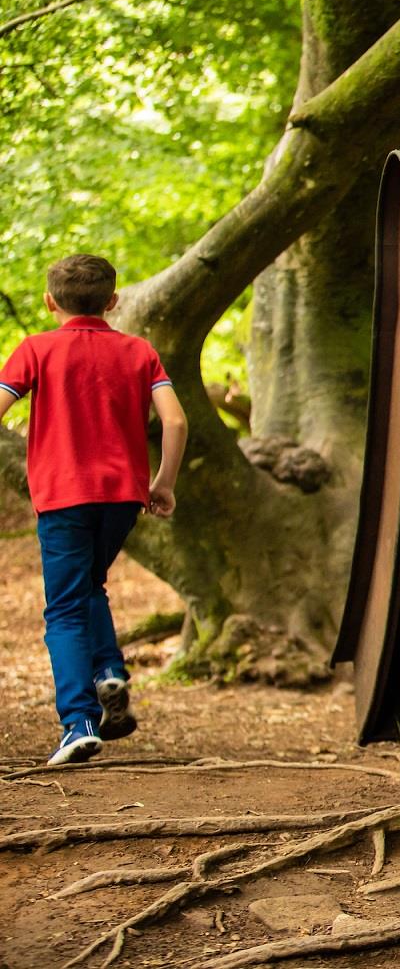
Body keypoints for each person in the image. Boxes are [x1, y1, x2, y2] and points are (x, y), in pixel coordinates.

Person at [0, 255, 187, 766]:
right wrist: (162, 483)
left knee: (63, 607)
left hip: (62, 495)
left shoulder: (36, 349)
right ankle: (109, 671)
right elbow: (174, 422)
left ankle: (78, 722)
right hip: (123, 496)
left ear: (48, 301)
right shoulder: (138, 351)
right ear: (112, 301)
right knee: (89, 586)